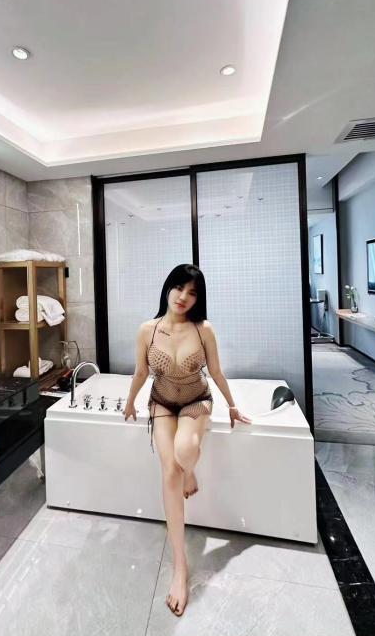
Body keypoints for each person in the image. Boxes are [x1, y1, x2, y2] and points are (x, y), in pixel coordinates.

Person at [123, 264, 252, 617]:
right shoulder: (147, 330)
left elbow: (217, 372)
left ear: (199, 299)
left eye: (192, 292)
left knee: (184, 451)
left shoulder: (203, 329)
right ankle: (180, 566)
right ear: (168, 288)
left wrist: (233, 406)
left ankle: (189, 467)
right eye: (179, 287)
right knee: (170, 473)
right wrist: (130, 402)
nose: (183, 297)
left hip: (196, 400)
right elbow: (140, 372)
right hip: (162, 403)